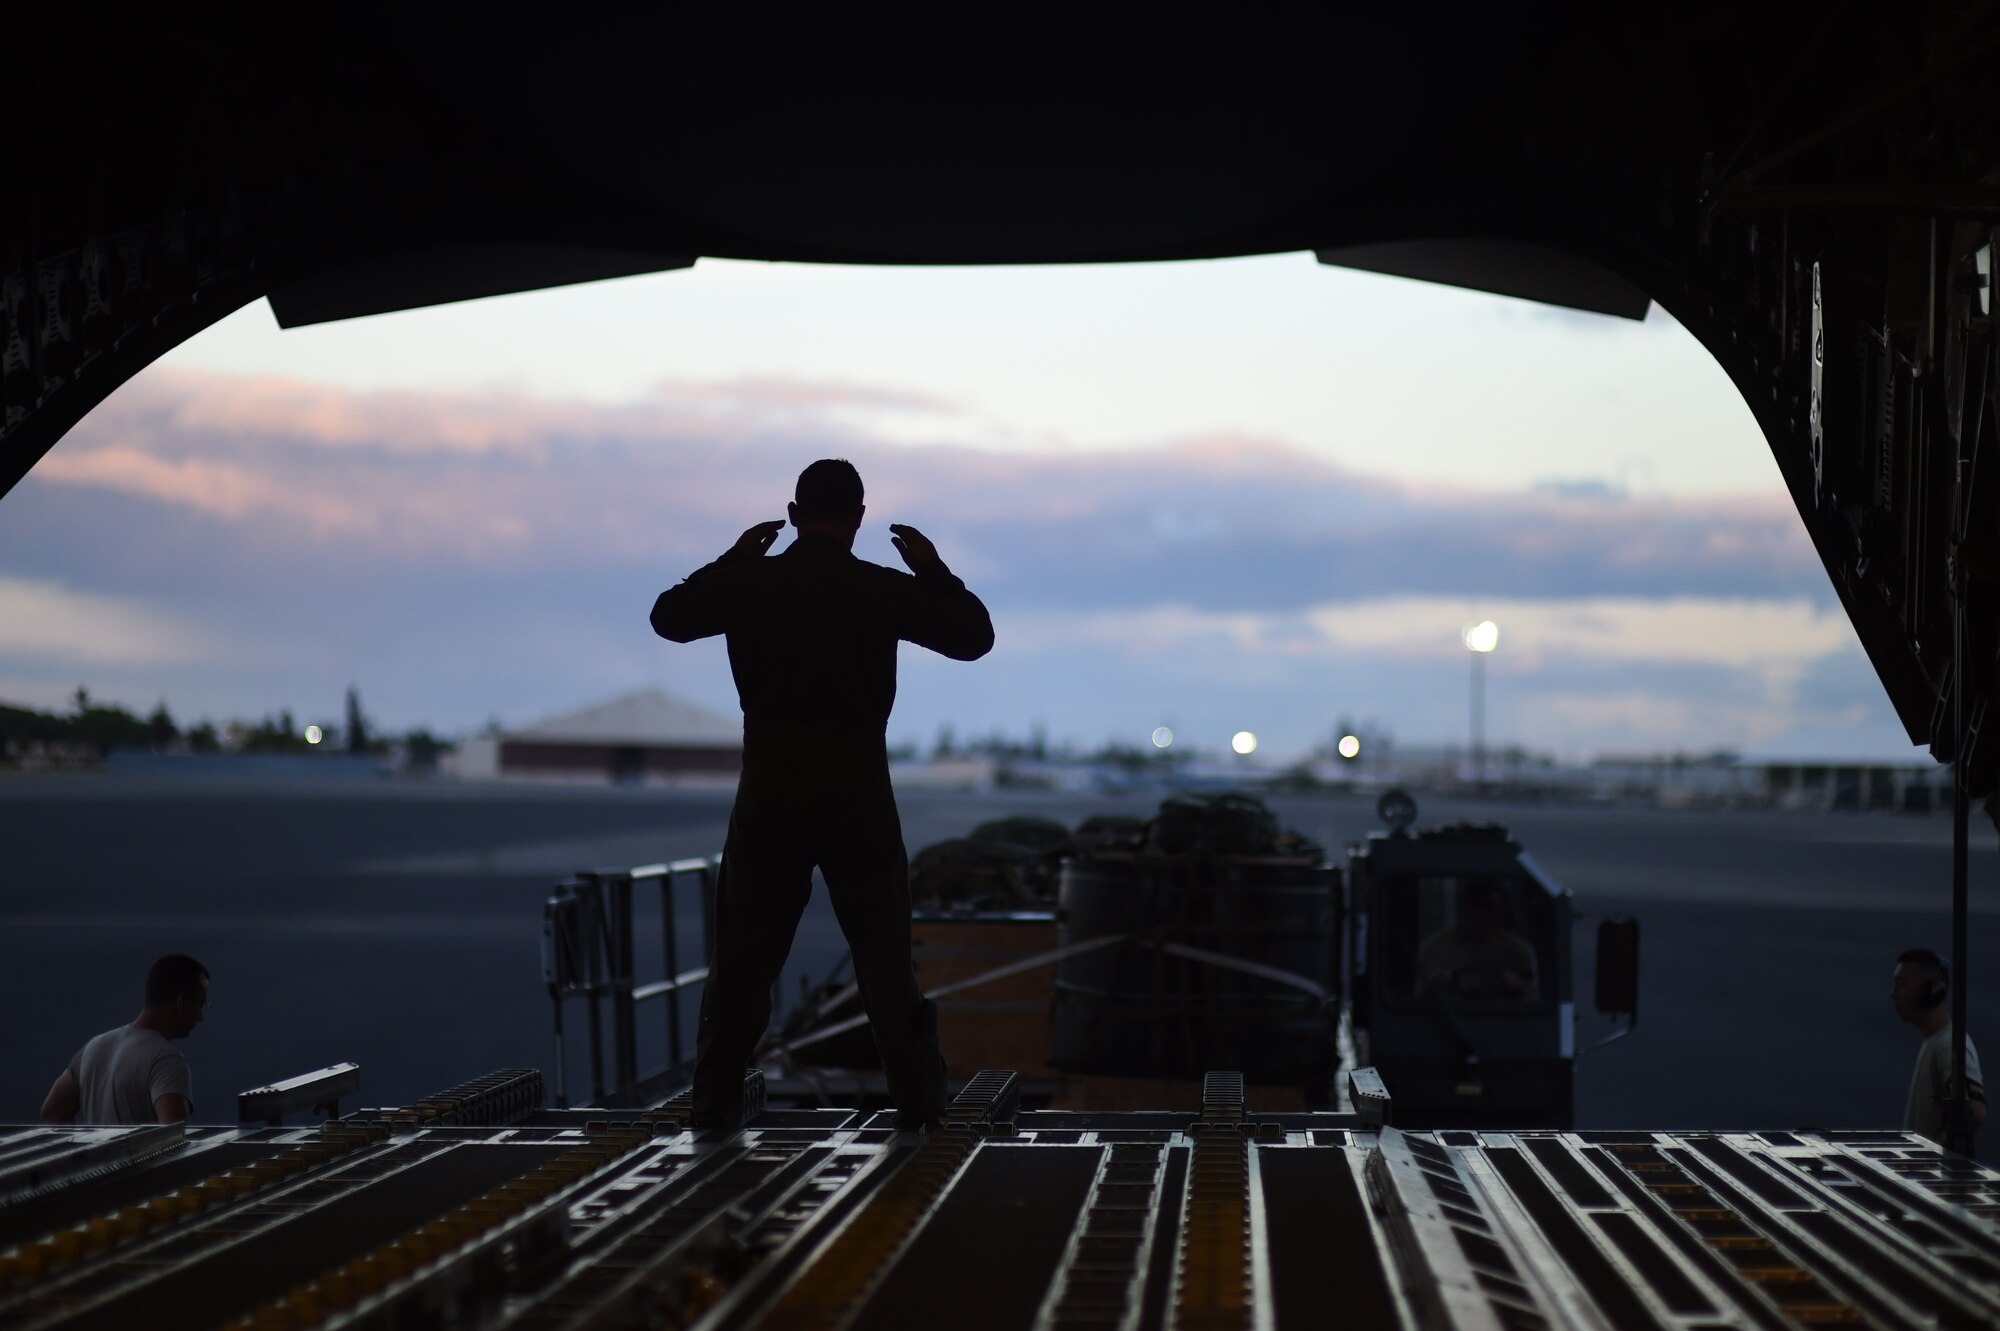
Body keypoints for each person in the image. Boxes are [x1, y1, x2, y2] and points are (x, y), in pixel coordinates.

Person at [651, 459, 994, 1130]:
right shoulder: (878, 588)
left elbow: (670, 617)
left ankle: (712, 1114)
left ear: (794, 512)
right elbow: (973, 636)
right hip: (858, 795)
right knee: (887, 968)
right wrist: (932, 568)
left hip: (769, 796)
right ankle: (922, 1112)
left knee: (742, 968)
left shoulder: (753, 583)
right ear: (860, 518)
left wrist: (732, 559)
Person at [41, 954, 209, 1125]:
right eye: (200, 1003)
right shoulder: (166, 1060)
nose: (201, 1016)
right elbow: (174, 1137)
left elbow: (52, 1112)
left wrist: (82, 1150)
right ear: (180, 1002)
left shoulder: (93, 1047)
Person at [1892, 946, 1986, 1147]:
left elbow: (1975, 1112)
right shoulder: (1938, 1042)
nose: (1894, 994)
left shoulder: (1949, 1045)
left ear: (1929, 991)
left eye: (1901, 984)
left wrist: (1936, 1162)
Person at [1417, 879, 1538, 1000]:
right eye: (1474, 905)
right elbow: (1419, 1000)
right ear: (1461, 908)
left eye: (1489, 907)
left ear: (1501, 911)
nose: (1481, 913)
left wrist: (1518, 986)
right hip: (1447, 1017)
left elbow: (1533, 1001)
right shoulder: (1434, 948)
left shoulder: (1518, 951)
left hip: (1504, 1018)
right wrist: (1438, 984)